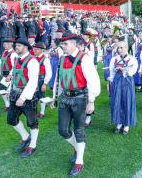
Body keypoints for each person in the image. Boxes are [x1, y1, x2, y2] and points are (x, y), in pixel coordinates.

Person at [52, 31, 100, 176]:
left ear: (74, 43)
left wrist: (91, 101)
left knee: (79, 130)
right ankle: (78, 147)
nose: (63, 46)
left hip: (80, 98)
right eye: (62, 44)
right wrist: (55, 97)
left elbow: (94, 81)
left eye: (65, 44)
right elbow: (58, 80)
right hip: (65, 98)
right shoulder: (62, 59)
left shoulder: (84, 58)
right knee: (63, 130)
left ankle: (79, 161)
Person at [6, 38, 40, 158]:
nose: (16, 47)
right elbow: (15, 75)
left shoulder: (32, 61)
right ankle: (26, 137)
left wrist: (23, 97)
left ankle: (33, 144)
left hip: (28, 96)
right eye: (16, 45)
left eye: (19, 45)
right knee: (11, 119)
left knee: (32, 122)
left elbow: (33, 82)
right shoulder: (16, 59)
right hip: (15, 93)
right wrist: (9, 90)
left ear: (26, 47)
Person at [108, 41, 138, 134]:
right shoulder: (114, 59)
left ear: (126, 48)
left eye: (121, 47)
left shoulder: (132, 59)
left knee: (127, 101)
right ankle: (119, 122)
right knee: (117, 101)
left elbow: (132, 71)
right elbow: (111, 72)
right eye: (118, 48)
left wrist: (124, 69)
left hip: (127, 81)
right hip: (117, 81)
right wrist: (111, 81)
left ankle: (127, 124)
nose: (119, 49)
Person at [33, 42, 52, 119]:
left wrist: (45, 83)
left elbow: (49, 72)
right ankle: (34, 111)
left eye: (36, 49)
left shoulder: (45, 59)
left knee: (41, 96)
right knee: (34, 96)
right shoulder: (33, 58)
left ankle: (42, 112)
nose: (34, 51)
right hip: (33, 79)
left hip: (41, 79)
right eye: (34, 49)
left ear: (42, 50)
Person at [0, 38, 17, 112]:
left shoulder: (13, 54)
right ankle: (7, 104)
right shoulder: (4, 52)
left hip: (9, 74)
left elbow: (15, 66)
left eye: (5, 44)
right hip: (3, 74)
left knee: (9, 91)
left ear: (10, 44)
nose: (4, 45)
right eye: (4, 44)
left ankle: (10, 105)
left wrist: (10, 75)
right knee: (2, 90)